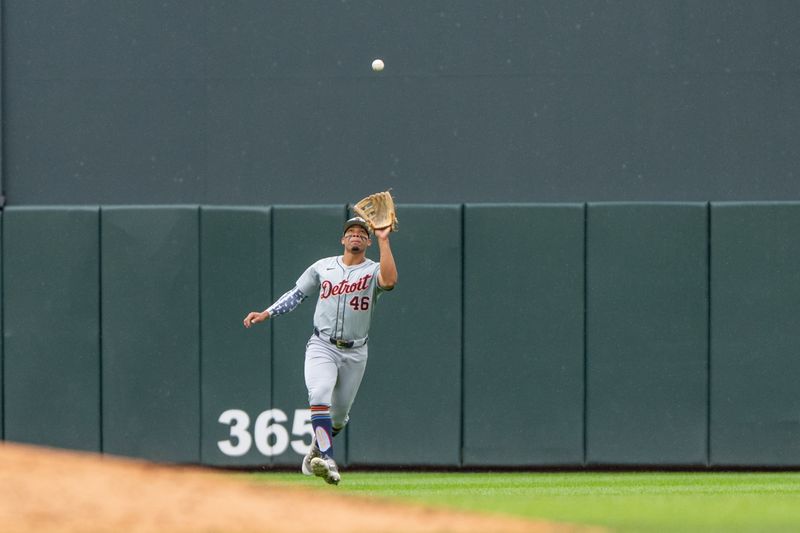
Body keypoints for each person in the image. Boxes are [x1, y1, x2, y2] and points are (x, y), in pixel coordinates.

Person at [243, 216, 397, 485]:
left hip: (356, 351)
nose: (356, 235)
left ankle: (316, 449)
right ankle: (327, 458)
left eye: (362, 233)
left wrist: (385, 240)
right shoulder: (323, 267)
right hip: (322, 345)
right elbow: (297, 294)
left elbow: (390, 281)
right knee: (319, 393)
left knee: (338, 416)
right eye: (351, 231)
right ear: (342, 239)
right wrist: (267, 313)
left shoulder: (373, 270)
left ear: (368, 241)